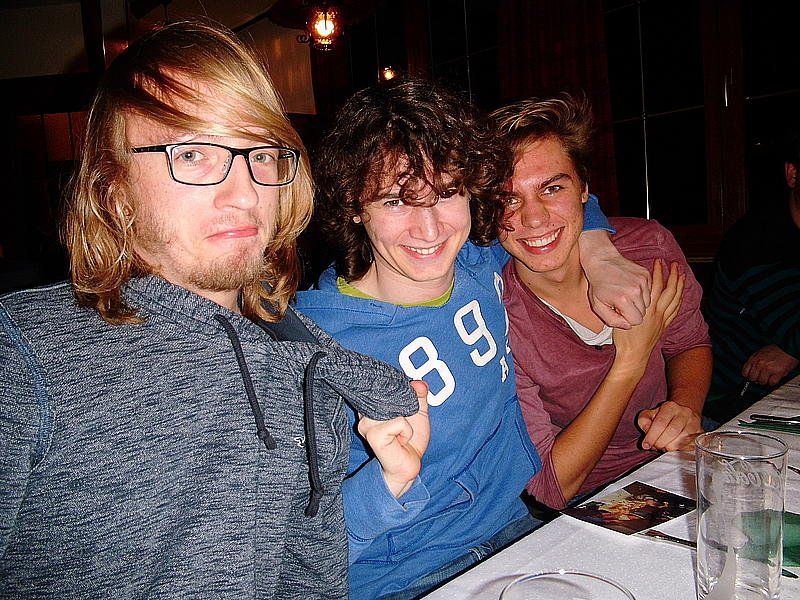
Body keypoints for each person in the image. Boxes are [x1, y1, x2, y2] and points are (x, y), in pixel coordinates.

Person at [0, 19, 429, 600]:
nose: (246, 194)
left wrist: (390, 481)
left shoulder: (301, 354)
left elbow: (306, 569)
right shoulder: (21, 355)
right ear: (113, 187)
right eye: (193, 154)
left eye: (261, 154)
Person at [294, 76, 651, 600]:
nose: (430, 229)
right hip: (405, 574)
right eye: (396, 201)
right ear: (353, 205)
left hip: (520, 530)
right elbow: (293, 547)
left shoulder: (478, 260)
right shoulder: (311, 350)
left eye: (446, 193)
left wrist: (600, 252)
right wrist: (387, 484)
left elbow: (565, 204)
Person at [491, 93, 712, 509]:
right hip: (585, 492)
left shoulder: (649, 247)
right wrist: (629, 362)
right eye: (508, 198)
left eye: (552, 188)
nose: (533, 218)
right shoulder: (494, 313)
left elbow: (689, 344)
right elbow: (552, 486)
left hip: (672, 459)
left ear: (584, 191)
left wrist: (684, 406)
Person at [703, 130, 800, 424]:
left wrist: (791, 351)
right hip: (729, 410)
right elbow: (794, 326)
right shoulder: (758, 241)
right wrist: (793, 347)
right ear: (793, 174)